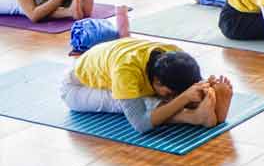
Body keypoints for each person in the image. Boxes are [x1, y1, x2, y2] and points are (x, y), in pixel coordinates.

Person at [60, 37, 232, 133]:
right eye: (170, 93)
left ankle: (212, 111)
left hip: (109, 65)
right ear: (156, 81)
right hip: (76, 88)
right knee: (142, 104)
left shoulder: (174, 53)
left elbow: (188, 84)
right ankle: (192, 117)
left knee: (181, 94)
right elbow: (140, 124)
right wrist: (184, 98)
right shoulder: (125, 71)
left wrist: (204, 88)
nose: (173, 96)